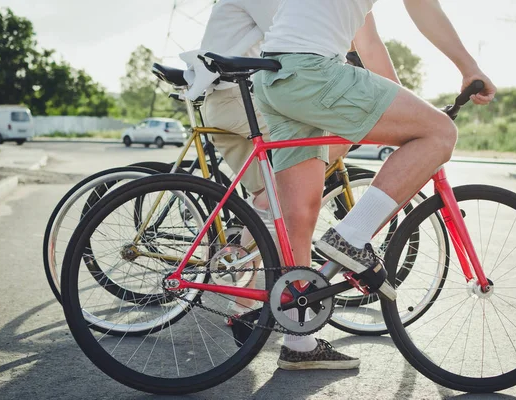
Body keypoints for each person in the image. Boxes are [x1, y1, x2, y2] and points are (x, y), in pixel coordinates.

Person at [254, 0, 496, 370]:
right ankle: (350, 237)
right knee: (441, 133)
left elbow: (368, 44)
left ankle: (298, 339)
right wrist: (469, 67)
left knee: (300, 215)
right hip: (312, 70)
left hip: (275, 75)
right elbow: (422, 8)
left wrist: (411, 109)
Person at [180, 0, 363, 370]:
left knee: (270, 198)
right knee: (322, 145)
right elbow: (296, 38)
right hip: (237, 99)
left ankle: (246, 303)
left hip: (231, 98)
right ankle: (289, 328)